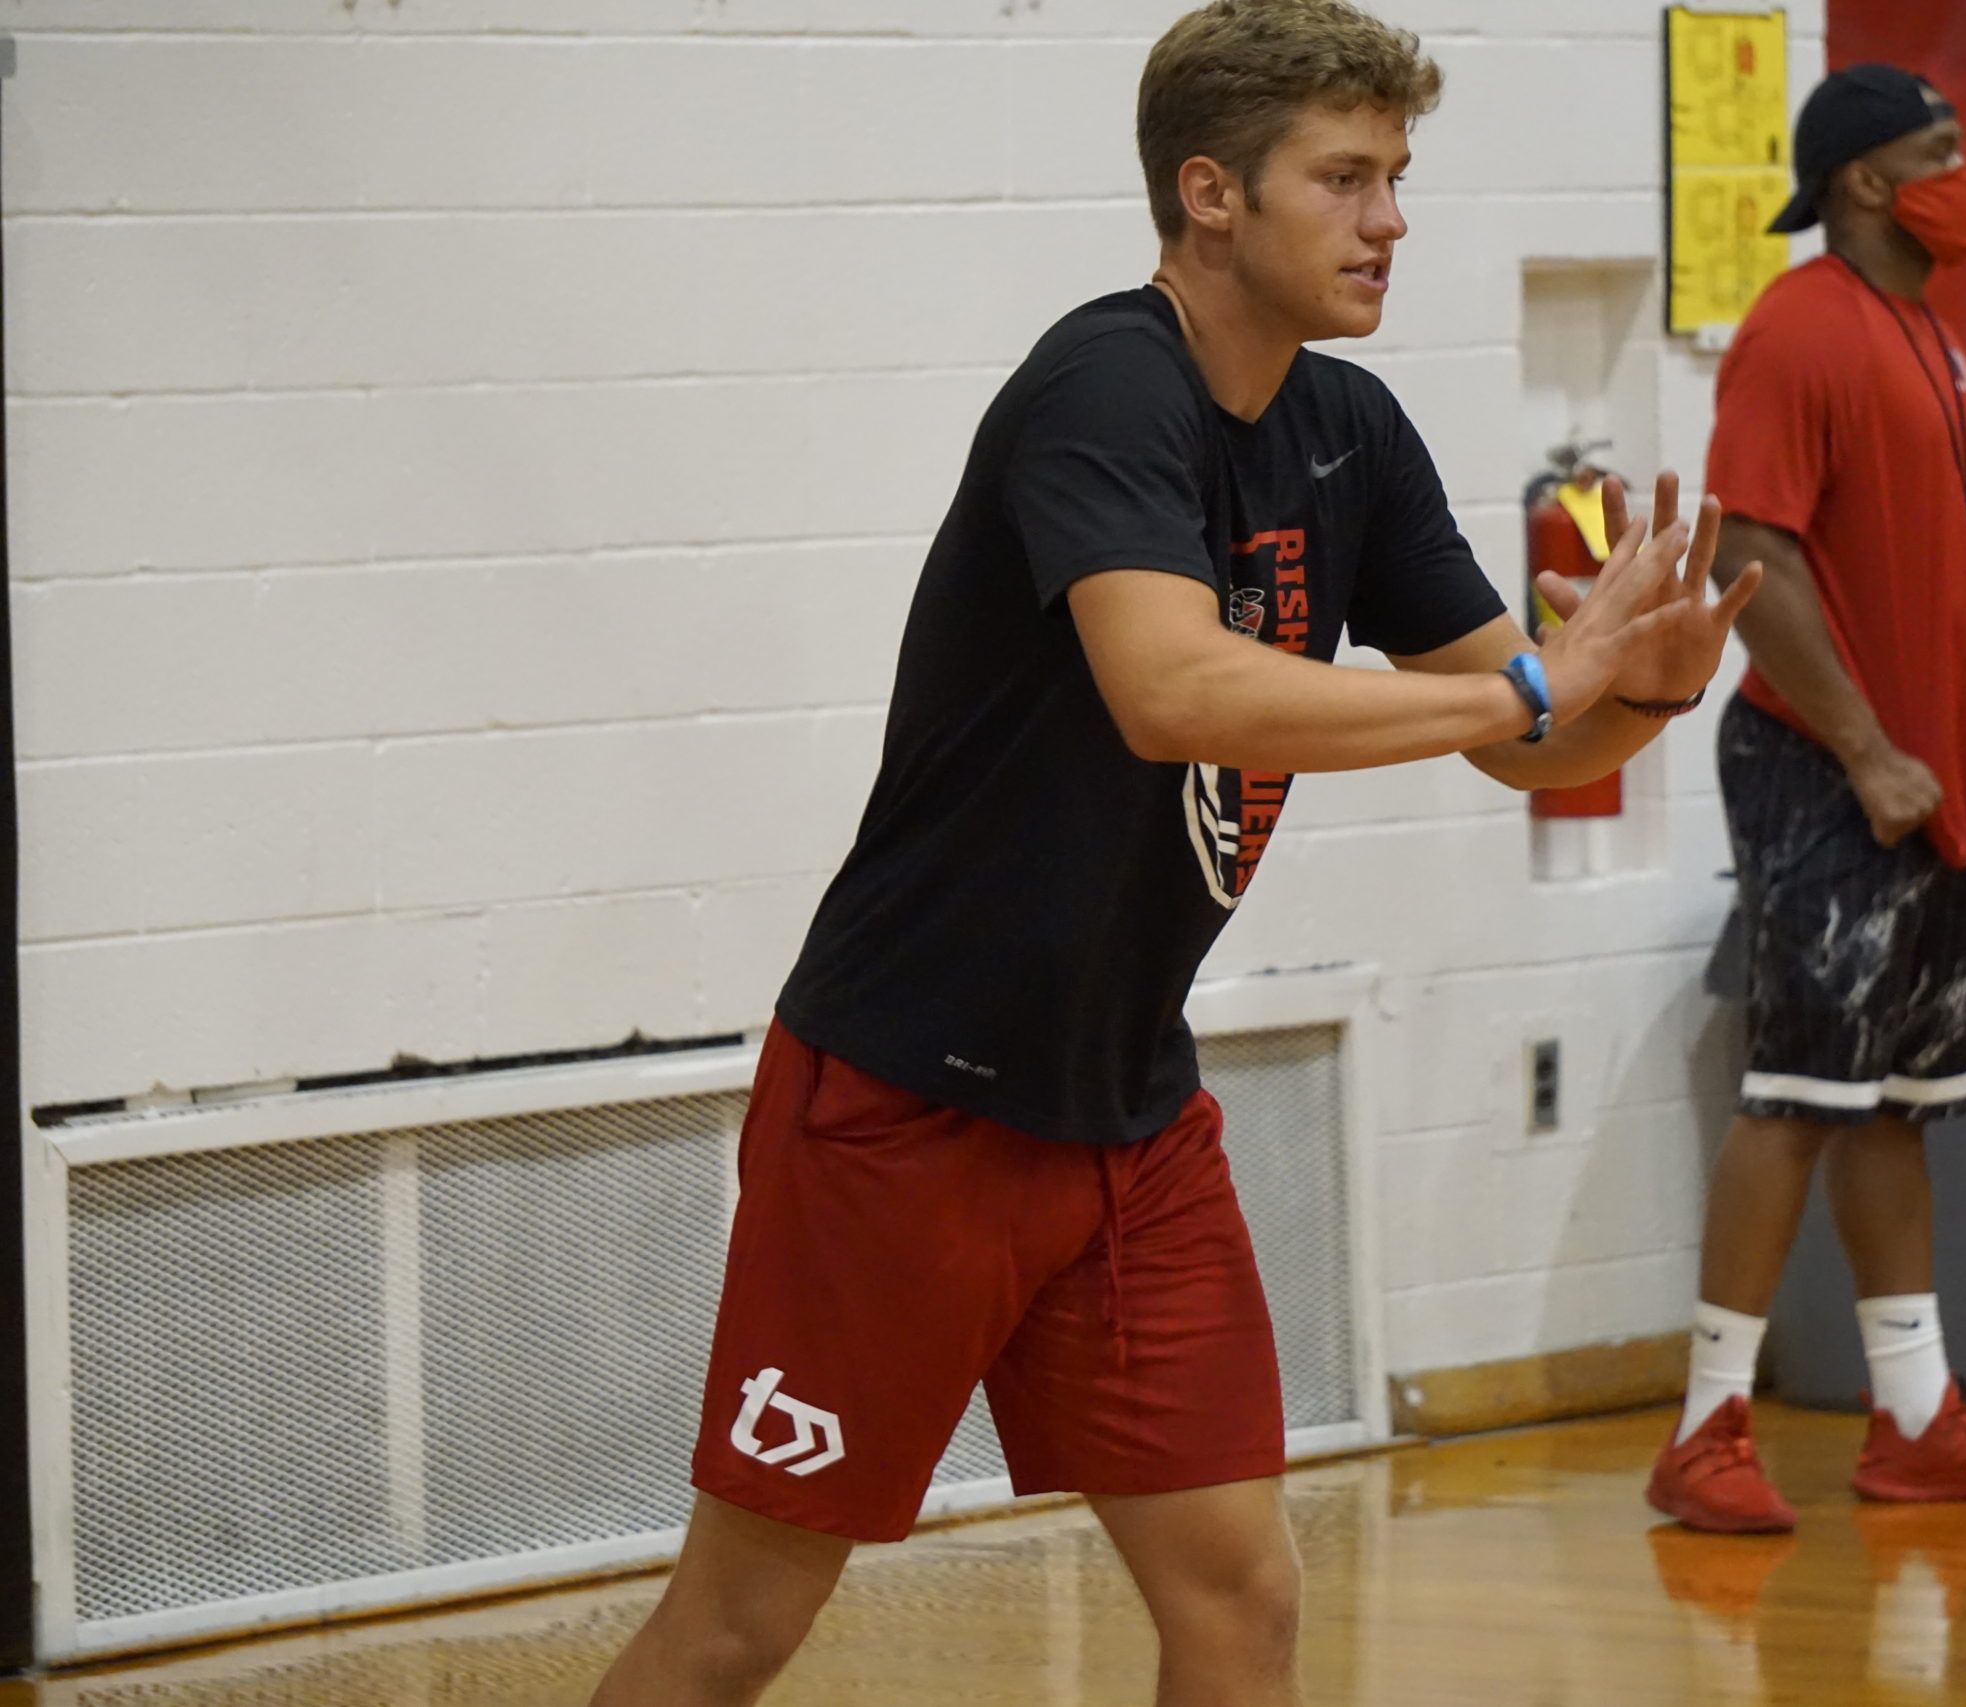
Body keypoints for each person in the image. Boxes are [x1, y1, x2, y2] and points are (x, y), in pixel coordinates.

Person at [586, 4, 1760, 1702]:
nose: (1391, 222)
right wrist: (1532, 685)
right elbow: (1172, 687)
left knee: (1241, 1602)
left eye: (1399, 177)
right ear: (1210, 194)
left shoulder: (1349, 430)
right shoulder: (1101, 384)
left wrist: (1639, 700)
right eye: (1344, 180)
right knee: (736, 1633)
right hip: (908, 1108)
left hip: (1130, 1118)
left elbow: (1531, 732)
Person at [1645, 64, 1966, 1536]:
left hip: (1932, 783)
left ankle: (1914, 1419)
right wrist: (1863, 748)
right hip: (1830, 772)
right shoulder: (1797, 331)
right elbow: (1746, 559)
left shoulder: (1929, 332)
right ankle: (1707, 1425)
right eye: (1939, 151)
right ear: (1861, 183)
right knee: (1796, 1091)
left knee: (1896, 1103)